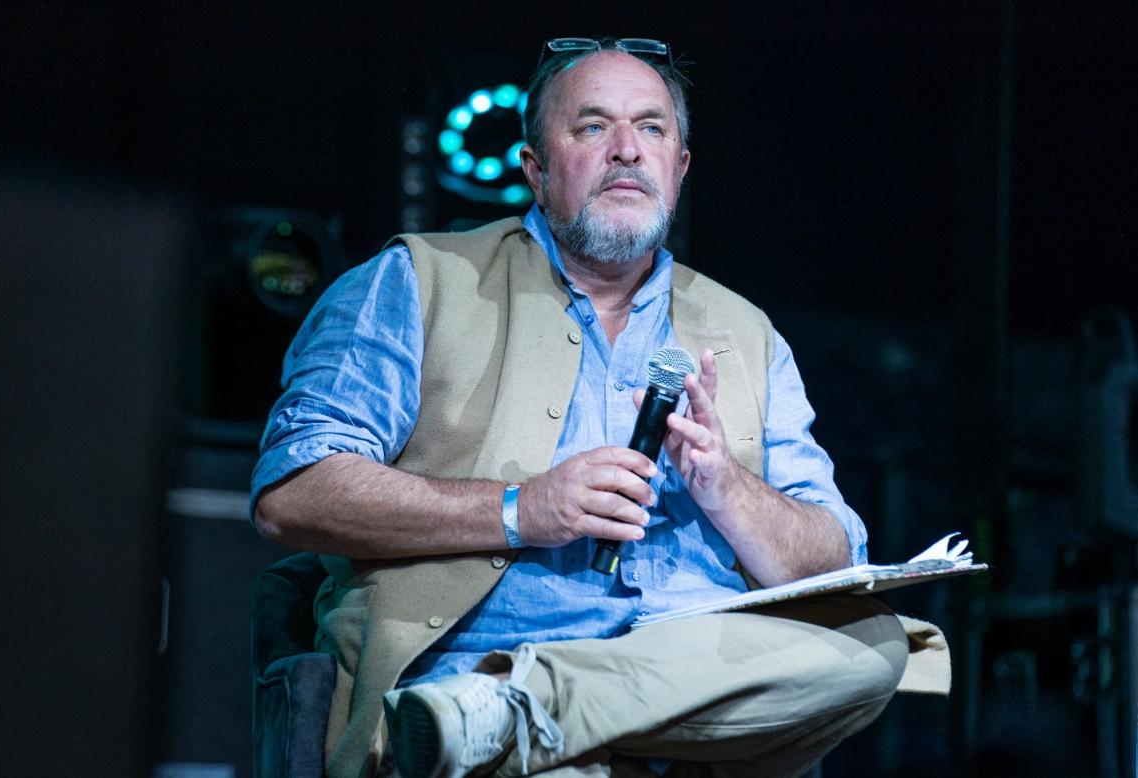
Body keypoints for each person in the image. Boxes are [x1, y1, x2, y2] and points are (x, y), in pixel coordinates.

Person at [253, 37, 936, 778]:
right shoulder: (414, 282)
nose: (625, 151)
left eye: (650, 129)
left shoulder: (747, 333)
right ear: (535, 170)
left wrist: (725, 489)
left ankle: (527, 712)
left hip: (681, 693)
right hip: (470, 673)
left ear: (677, 168)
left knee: (874, 645)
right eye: (591, 127)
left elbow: (835, 555)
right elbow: (295, 491)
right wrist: (521, 509)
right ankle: (524, 723)